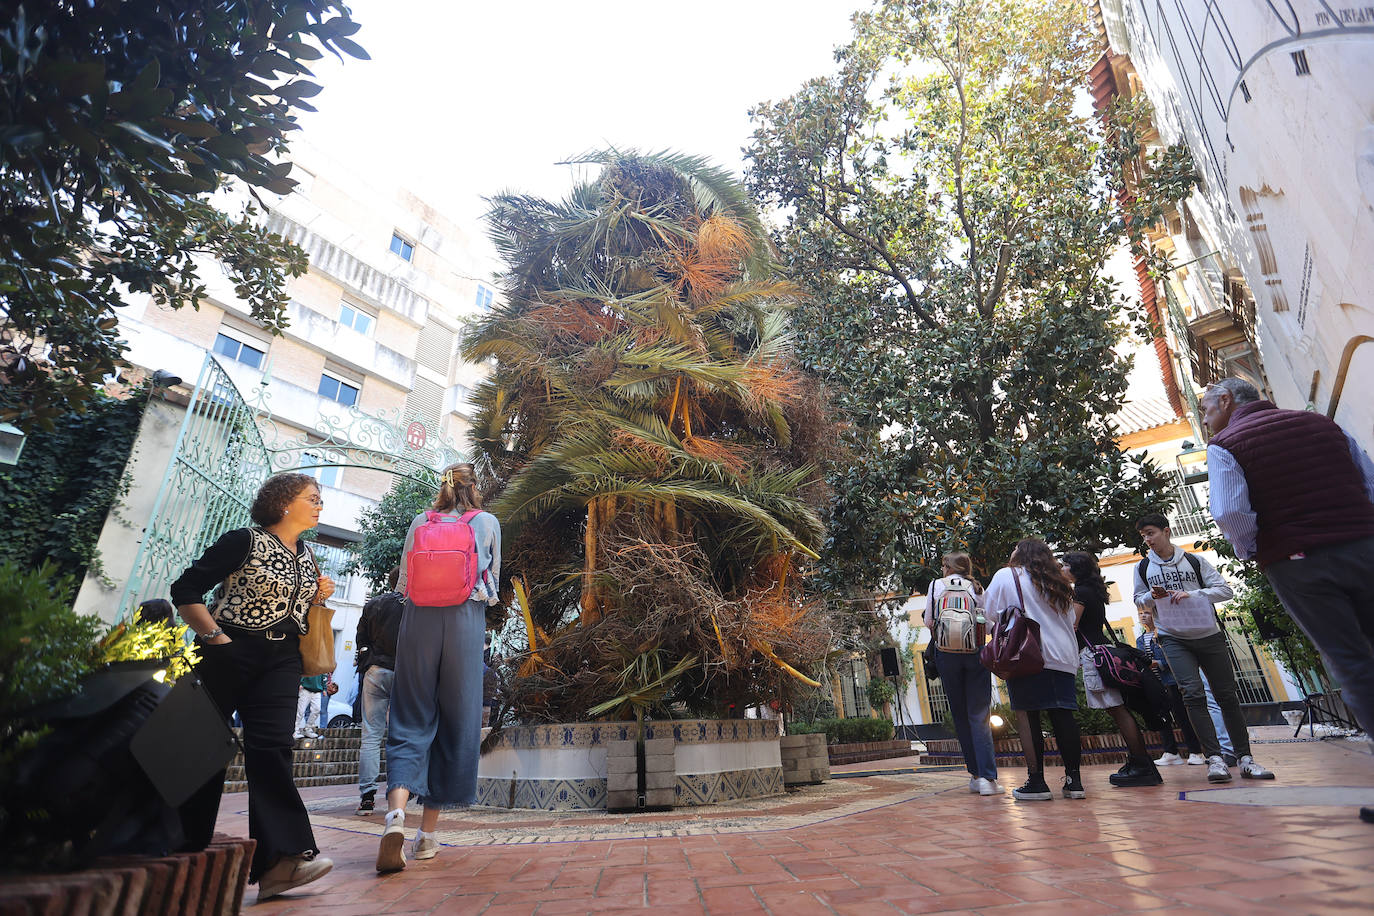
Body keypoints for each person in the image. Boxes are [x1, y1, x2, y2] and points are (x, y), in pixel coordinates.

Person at [1201, 376, 1374, 819]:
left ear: (1226, 400)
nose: (1206, 421)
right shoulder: (1321, 425)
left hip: (1299, 562)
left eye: (1206, 410)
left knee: (1351, 661)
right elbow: (1367, 478)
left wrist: (1253, 549)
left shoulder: (1226, 446)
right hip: (1365, 546)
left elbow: (1230, 512)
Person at [170, 472, 334, 900]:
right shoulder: (244, 540)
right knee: (204, 743)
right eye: (312, 498)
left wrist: (317, 596)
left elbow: (292, 609)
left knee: (272, 748)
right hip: (228, 648)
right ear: (284, 502)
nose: (320, 506)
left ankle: (280, 862)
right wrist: (216, 639)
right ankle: (182, 842)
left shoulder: (308, 554)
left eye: (320, 500)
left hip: (282, 659)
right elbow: (185, 589)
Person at [377, 462, 500, 872]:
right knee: (456, 720)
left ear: (443, 488)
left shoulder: (419, 521)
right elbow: (491, 585)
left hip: (419, 622)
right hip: (465, 621)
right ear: (474, 488)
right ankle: (427, 836)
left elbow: (404, 584)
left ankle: (395, 814)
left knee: (411, 714)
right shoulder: (486, 522)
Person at [1132, 513, 1274, 783]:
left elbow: (1224, 591)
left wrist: (1194, 594)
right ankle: (1215, 759)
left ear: (1166, 531)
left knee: (1226, 695)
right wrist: (1153, 596)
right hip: (1172, 636)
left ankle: (1245, 758)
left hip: (1208, 634)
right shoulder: (1142, 568)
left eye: (1151, 533)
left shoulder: (1194, 561)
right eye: (1143, 536)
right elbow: (1140, 599)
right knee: (1192, 694)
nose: (1148, 540)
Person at [984, 538, 1083, 802]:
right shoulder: (1059, 581)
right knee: (1063, 716)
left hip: (1027, 654)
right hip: (1063, 656)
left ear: (1021, 553)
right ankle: (1074, 782)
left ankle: (1037, 781)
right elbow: (1070, 619)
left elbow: (990, 614)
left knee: (1028, 718)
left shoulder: (1006, 576)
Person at [1061, 552, 1162, 788]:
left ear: (1076, 569)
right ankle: (1141, 762)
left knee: (1117, 710)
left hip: (1094, 655)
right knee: (1118, 709)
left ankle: (1141, 764)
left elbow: (1071, 625)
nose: (1062, 569)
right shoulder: (1092, 590)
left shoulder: (1080, 593)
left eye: (1066, 566)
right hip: (1103, 651)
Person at [922, 552, 1000, 796]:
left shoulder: (936, 585)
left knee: (960, 715)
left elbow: (928, 622)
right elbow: (988, 624)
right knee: (979, 715)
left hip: (946, 655)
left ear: (947, 566)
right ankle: (988, 778)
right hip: (975, 653)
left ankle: (975, 776)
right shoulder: (976, 587)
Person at [355, 566, 405, 815]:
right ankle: (399, 792)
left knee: (371, 734)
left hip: (375, 671)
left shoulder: (373, 604)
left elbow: (361, 639)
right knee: (401, 734)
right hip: (405, 673)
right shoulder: (414, 607)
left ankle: (367, 797)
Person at [1136, 605, 1204, 765]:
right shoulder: (1140, 639)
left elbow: (1174, 657)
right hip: (1155, 684)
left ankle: (1196, 751)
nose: (1143, 616)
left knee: (1182, 716)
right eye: (1140, 614)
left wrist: (1158, 663)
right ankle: (1171, 752)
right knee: (1162, 717)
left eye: (1147, 613)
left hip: (1171, 681)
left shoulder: (1165, 635)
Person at [295, 674, 326, 740]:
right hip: (305, 688)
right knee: (300, 710)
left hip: (317, 690)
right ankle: (295, 730)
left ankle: (308, 729)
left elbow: (324, 673)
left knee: (316, 709)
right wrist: (300, 682)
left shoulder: (322, 664)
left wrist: (324, 688)